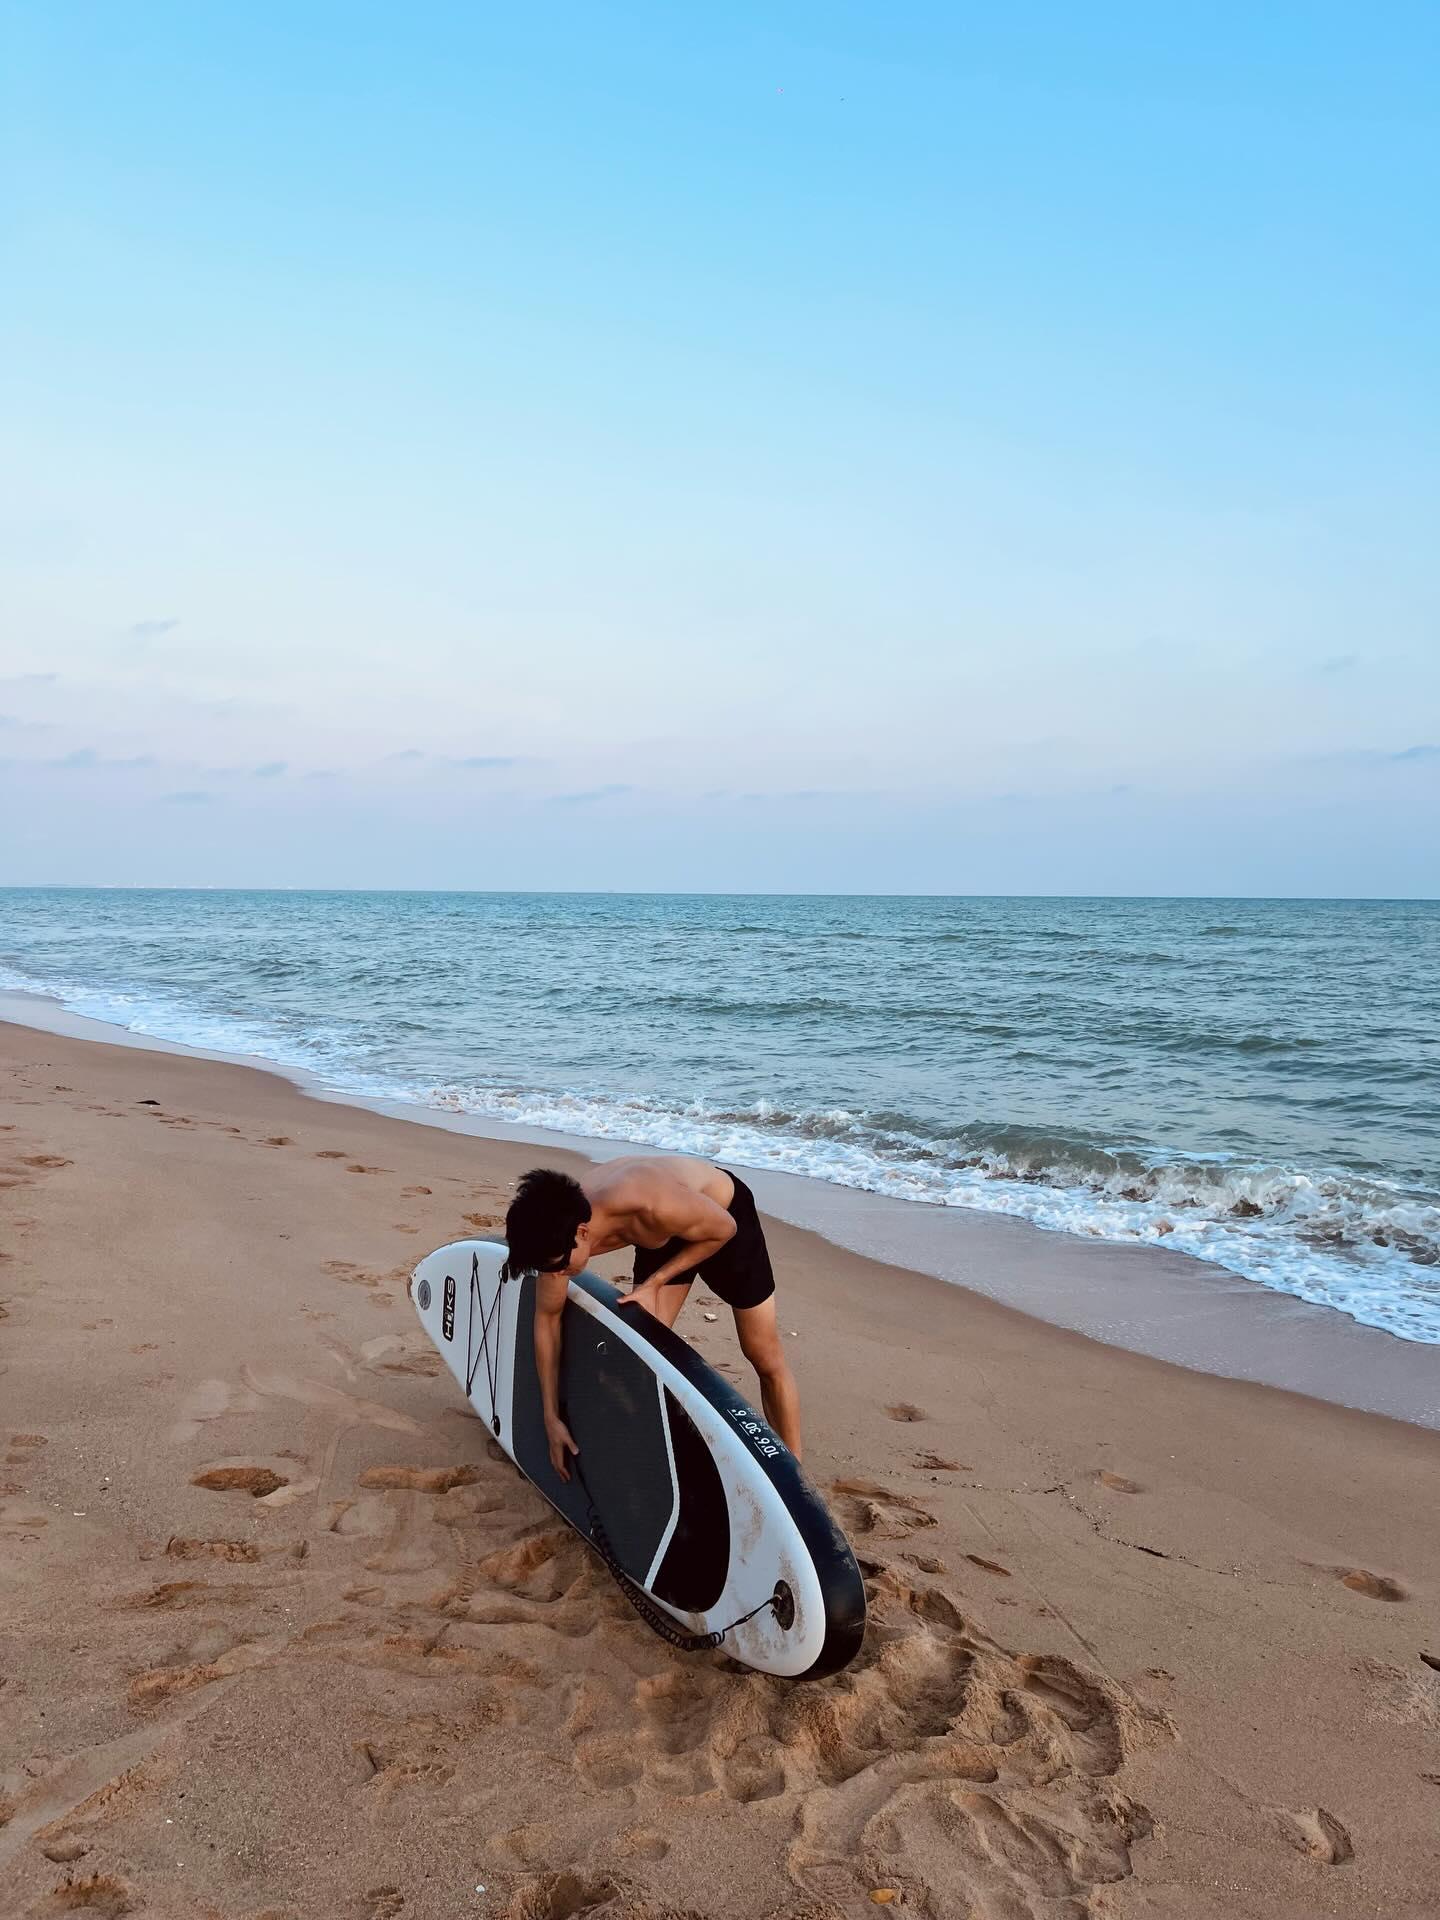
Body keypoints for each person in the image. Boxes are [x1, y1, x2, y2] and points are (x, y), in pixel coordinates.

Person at [502, 1155, 802, 1478]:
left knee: (763, 1356)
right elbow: (547, 1320)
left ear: (583, 1233)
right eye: (549, 1268)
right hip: (663, 1237)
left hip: (722, 1217)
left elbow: (725, 1229)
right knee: (642, 1356)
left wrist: (656, 1281)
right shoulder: (557, 1235)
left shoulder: (647, 1206)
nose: (556, 1274)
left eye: (560, 1266)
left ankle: (797, 1475)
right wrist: (551, 1417)